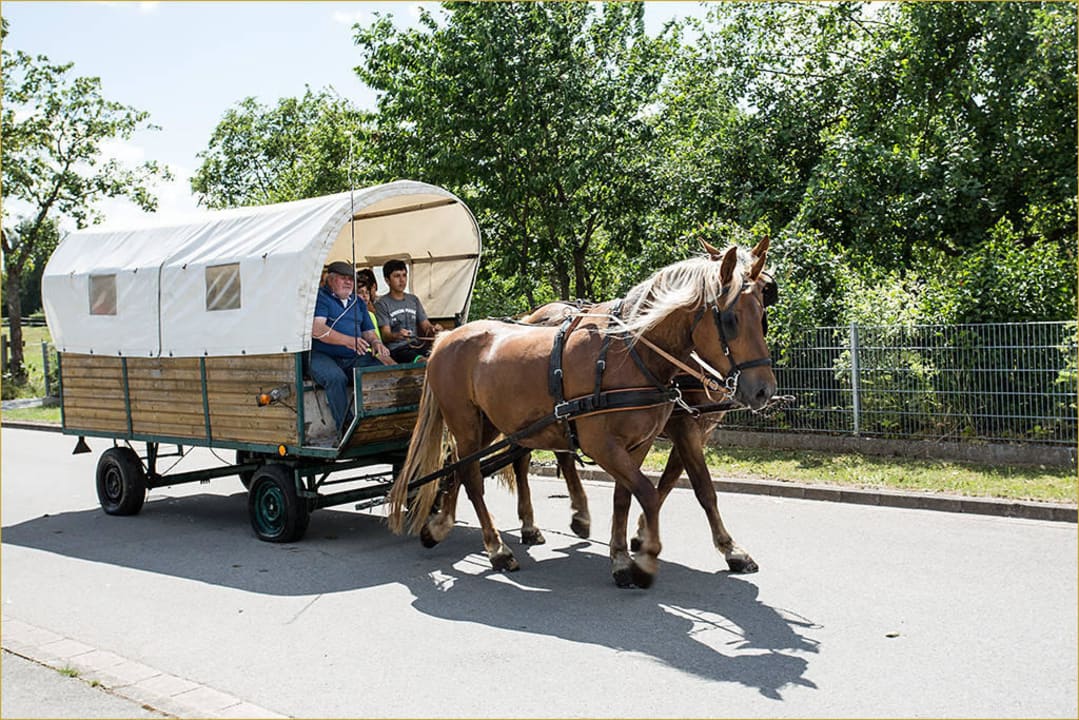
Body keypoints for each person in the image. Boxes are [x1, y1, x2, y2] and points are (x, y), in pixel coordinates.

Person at [309, 260, 394, 437]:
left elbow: (368, 332)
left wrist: (376, 342)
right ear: (330, 279)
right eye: (343, 278)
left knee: (378, 370)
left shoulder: (358, 302)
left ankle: (378, 420)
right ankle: (346, 428)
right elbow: (318, 329)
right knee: (335, 378)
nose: (349, 282)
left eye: (351, 279)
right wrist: (348, 341)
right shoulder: (320, 297)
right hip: (322, 355)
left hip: (351, 356)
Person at [375, 259, 444, 363]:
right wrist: (397, 335)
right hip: (397, 350)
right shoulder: (382, 304)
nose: (402, 280)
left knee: (440, 357)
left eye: (404, 275)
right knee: (421, 361)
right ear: (387, 280)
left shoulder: (413, 300)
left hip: (416, 346)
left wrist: (434, 329)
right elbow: (385, 335)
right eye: (397, 276)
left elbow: (426, 326)